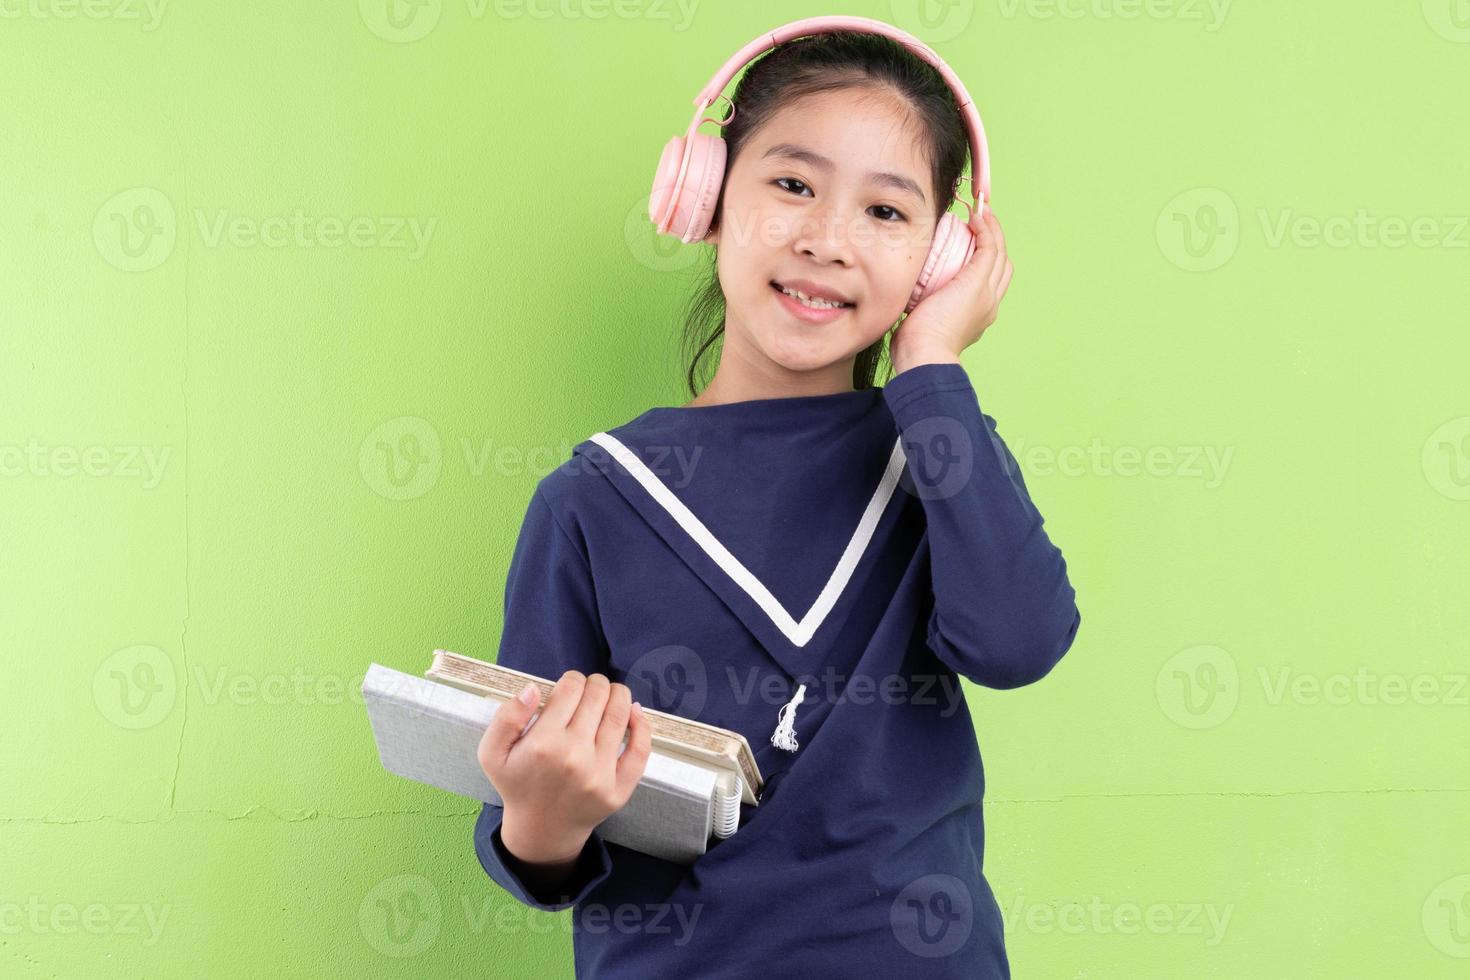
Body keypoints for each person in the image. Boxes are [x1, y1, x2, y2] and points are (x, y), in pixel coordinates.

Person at [472, 19, 1080, 979]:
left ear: (939, 260)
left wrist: (931, 364)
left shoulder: (937, 452)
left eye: (887, 213)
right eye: (792, 185)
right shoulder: (591, 500)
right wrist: (542, 821)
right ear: (705, 195)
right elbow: (528, 847)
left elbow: (1019, 642)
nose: (827, 241)